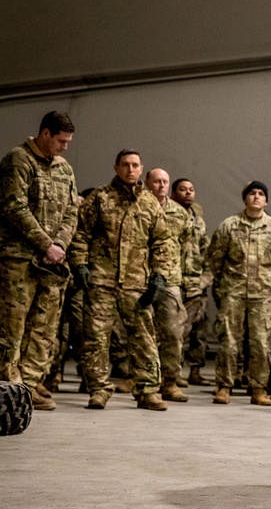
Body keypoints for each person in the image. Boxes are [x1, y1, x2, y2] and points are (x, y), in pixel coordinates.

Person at [69, 149, 170, 410]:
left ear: (141, 168)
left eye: (135, 165)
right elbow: (81, 234)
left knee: (144, 338)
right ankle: (99, 389)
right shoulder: (99, 198)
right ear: (116, 168)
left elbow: (162, 242)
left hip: (136, 283)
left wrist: (159, 276)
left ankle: (147, 390)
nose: (130, 169)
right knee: (96, 338)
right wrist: (79, 265)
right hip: (101, 281)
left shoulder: (149, 203)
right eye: (125, 165)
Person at [0, 111, 78, 410]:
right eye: (61, 141)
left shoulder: (64, 169)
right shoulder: (18, 160)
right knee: (12, 328)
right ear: (45, 134)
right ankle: (11, 391)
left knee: (44, 329)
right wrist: (46, 244)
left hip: (51, 261)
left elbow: (72, 212)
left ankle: (30, 384)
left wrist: (59, 245)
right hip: (18, 258)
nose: (65, 147)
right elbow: (13, 206)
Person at [204, 181, 271, 406]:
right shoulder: (229, 226)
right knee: (228, 341)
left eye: (261, 194)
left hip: (263, 295)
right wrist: (224, 286)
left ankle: (258, 388)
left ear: (266, 200)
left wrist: (269, 283)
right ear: (245, 199)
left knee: (261, 343)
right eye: (252, 193)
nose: (257, 197)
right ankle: (224, 386)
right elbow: (215, 258)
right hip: (233, 292)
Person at [144, 169, 194, 403]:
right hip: (138, 277)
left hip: (170, 279)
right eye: (157, 181)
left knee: (174, 333)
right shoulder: (139, 205)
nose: (162, 185)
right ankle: (142, 380)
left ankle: (170, 382)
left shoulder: (179, 213)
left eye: (165, 181)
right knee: (141, 333)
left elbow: (185, 246)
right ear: (148, 183)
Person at [171, 178, 211, 386]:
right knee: (174, 331)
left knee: (196, 331)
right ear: (173, 193)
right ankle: (170, 373)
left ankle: (193, 370)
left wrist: (205, 279)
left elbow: (208, 252)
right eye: (183, 190)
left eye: (191, 190)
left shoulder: (198, 221)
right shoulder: (166, 215)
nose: (188, 193)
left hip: (195, 284)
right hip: (173, 281)